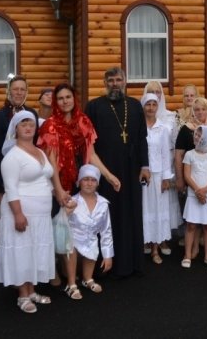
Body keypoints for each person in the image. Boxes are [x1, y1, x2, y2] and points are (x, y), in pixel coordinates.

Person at [37, 82, 120, 285]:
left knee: (78, 227)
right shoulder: (50, 125)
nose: (65, 101)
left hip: (79, 181)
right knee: (58, 226)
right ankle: (54, 270)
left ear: (74, 99)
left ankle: (79, 274)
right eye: (60, 98)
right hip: (58, 182)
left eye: (68, 97)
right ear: (55, 102)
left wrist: (109, 175)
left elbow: (90, 154)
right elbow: (52, 161)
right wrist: (58, 190)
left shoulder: (83, 121)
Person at [84, 67, 150, 278]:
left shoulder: (135, 106)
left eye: (118, 79)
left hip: (131, 170)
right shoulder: (94, 107)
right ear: (105, 83)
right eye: (110, 80)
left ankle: (132, 262)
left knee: (130, 214)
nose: (114, 83)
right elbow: (87, 144)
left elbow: (141, 138)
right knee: (106, 216)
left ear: (125, 82)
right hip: (105, 170)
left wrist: (145, 166)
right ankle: (104, 264)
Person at [0, 111, 57, 314]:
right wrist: (18, 214)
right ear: (15, 129)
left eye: (31, 124)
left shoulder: (40, 151)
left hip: (41, 213)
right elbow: (11, 188)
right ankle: (22, 295)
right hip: (22, 211)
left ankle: (32, 290)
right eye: (23, 124)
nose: (28, 127)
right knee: (22, 250)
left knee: (35, 249)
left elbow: (47, 178)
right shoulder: (12, 157)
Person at [0, 75, 39, 246]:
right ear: (8, 91)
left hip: (28, 181)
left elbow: (35, 147)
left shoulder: (32, 114)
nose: (18, 92)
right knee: (9, 229)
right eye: (15, 89)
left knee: (28, 227)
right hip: (6, 181)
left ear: (26, 92)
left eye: (22, 89)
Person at [174, 96, 207, 259]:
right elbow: (179, 154)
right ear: (192, 112)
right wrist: (180, 179)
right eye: (197, 109)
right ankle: (194, 247)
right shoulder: (186, 129)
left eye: (203, 109)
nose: (200, 112)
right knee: (193, 219)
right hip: (192, 180)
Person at [63, 165, 114, 300]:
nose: (89, 183)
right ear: (79, 182)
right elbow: (60, 224)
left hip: (90, 241)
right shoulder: (72, 200)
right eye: (85, 179)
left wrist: (108, 255)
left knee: (92, 244)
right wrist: (66, 212)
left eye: (93, 180)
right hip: (71, 241)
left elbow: (106, 231)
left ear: (97, 184)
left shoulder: (103, 204)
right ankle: (71, 283)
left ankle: (87, 279)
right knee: (70, 245)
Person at [141, 93, 176, 263]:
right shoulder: (138, 126)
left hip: (158, 174)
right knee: (143, 209)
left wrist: (166, 177)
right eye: (148, 104)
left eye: (154, 104)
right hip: (142, 174)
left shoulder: (162, 128)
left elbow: (165, 153)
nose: (151, 108)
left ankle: (155, 249)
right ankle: (144, 243)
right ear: (143, 106)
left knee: (157, 209)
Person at [181, 125, 207, 268]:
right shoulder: (189, 154)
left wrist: (205, 191)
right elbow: (187, 175)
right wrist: (198, 191)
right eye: (195, 134)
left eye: (199, 136)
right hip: (194, 195)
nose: (196, 137)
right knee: (191, 225)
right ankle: (187, 256)